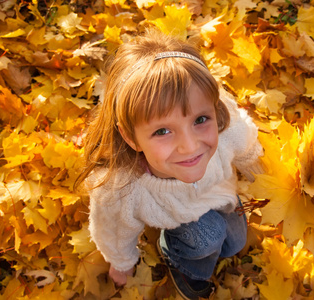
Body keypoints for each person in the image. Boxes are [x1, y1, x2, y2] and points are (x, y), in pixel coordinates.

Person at [75, 29, 263, 300]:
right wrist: (122, 263)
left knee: (234, 243)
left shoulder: (225, 125)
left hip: (219, 195)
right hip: (178, 218)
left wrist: (262, 176)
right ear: (131, 137)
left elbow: (246, 145)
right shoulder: (122, 187)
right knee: (207, 238)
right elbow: (113, 229)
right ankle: (183, 263)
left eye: (200, 120)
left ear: (214, 108)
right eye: (162, 131)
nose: (190, 146)